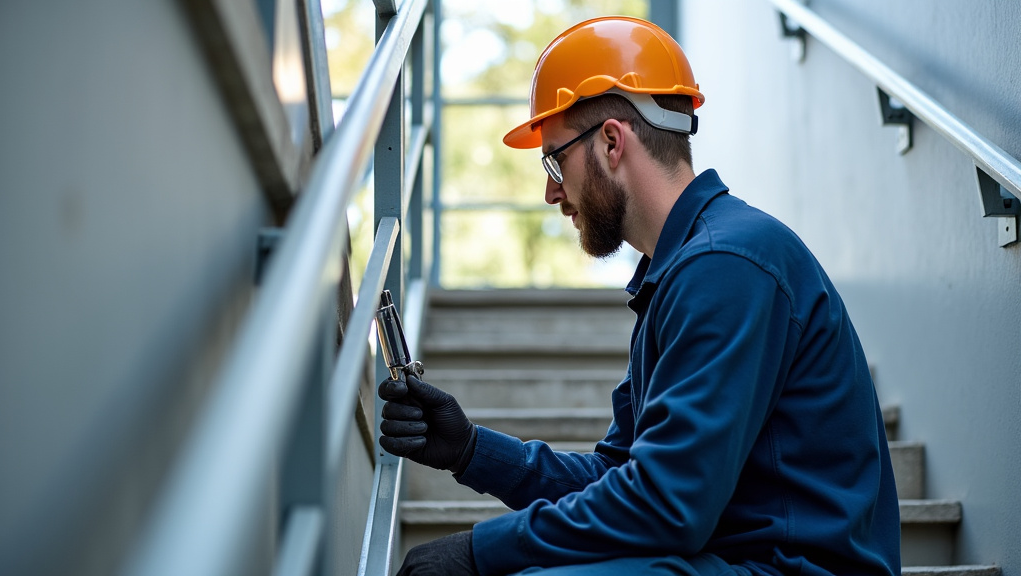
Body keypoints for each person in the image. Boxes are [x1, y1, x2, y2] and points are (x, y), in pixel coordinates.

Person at [379, 16, 901, 576]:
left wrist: (480, 552)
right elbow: (623, 480)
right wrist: (472, 451)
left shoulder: (725, 266)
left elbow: (666, 506)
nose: (551, 190)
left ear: (610, 141)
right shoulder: (684, 271)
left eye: (555, 159)